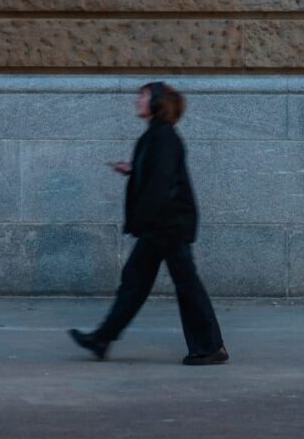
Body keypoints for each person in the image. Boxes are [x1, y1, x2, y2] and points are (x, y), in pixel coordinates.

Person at [69, 81, 228, 366]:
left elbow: (163, 182)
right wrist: (133, 169)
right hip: (162, 224)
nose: (137, 100)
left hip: (167, 226)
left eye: (142, 96)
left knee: (183, 285)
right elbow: (158, 173)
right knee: (136, 283)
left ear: (157, 101)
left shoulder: (163, 136)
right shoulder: (155, 135)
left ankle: (210, 347)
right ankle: (102, 339)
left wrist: (148, 220)